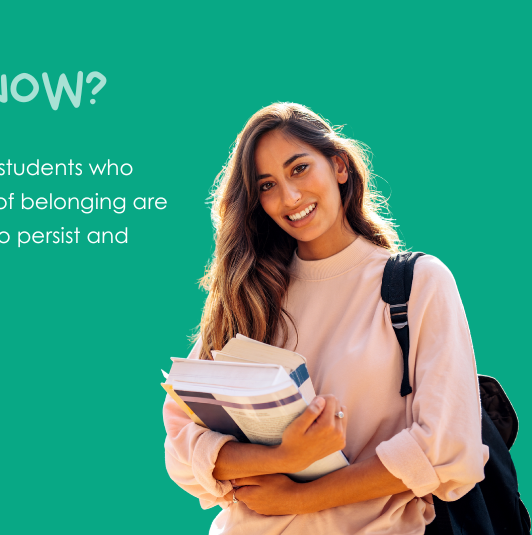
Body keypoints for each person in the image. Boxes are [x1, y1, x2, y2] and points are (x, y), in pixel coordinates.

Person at [162, 102, 489, 534]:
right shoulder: (251, 296)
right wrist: (284, 458)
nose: (289, 198)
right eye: (267, 185)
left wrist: (298, 497)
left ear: (338, 166)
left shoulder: (416, 284)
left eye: (299, 169)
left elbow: (447, 449)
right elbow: (183, 446)